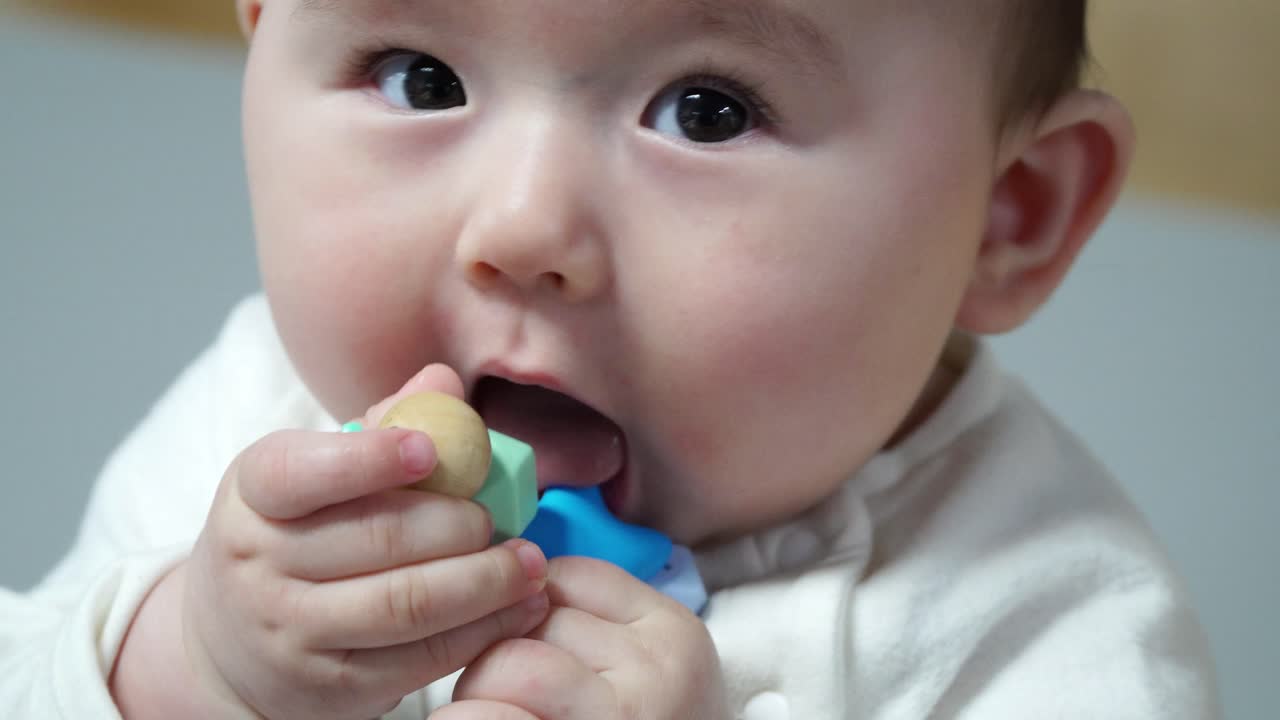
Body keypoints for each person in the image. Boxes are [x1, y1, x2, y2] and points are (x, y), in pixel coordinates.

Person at [0, 0, 1221, 717]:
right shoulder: (261, 428)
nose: (523, 228)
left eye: (707, 110)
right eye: (420, 78)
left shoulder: (1047, 624)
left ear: (1005, 213)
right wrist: (184, 666)